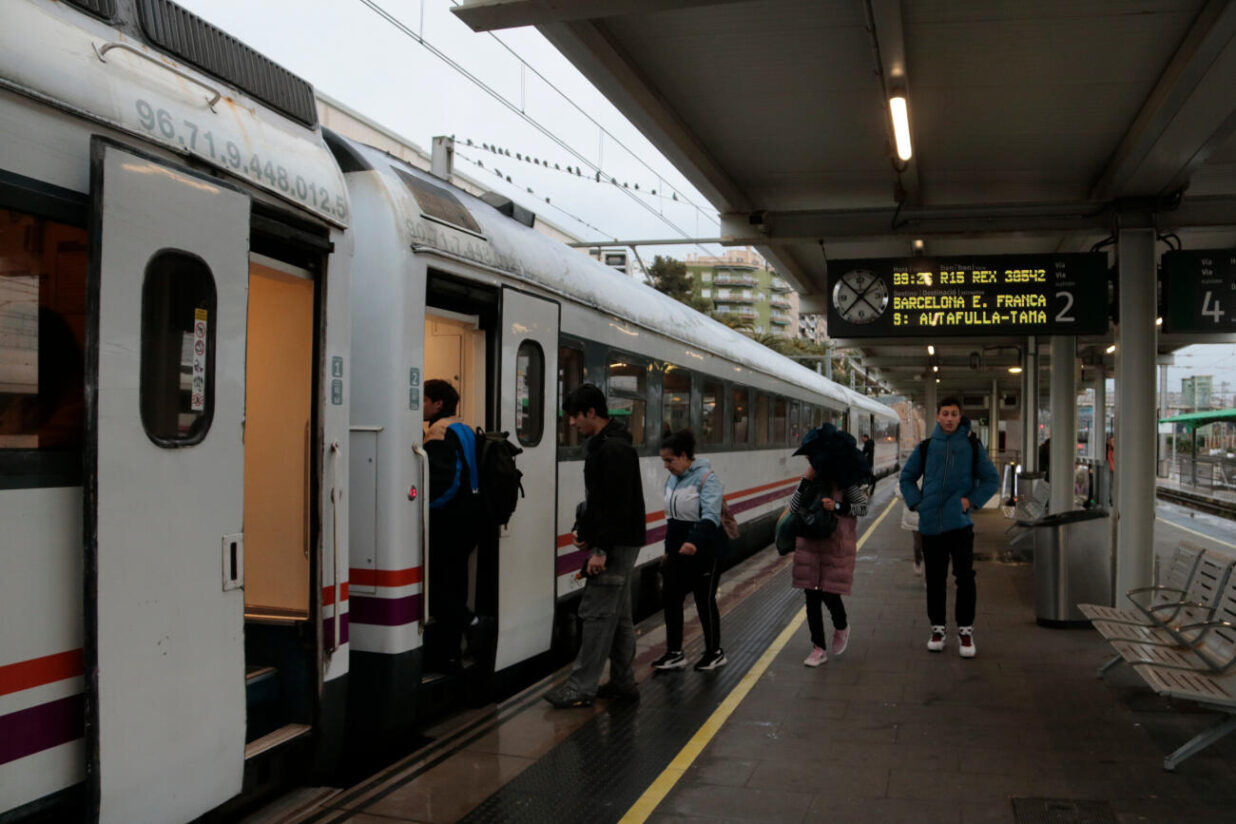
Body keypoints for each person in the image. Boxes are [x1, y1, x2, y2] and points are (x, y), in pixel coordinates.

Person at [545, 384, 646, 708]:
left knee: (597, 614)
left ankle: (580, 688)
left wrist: (601, 549)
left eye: (575, 416)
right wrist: (585, 528)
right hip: (619, 540)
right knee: (619, 617)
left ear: (591, 412)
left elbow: (616, 505)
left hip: (615, 544)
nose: (572, 423)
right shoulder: (607, 444)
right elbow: (600, 501)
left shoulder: (613, 449)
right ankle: (623, 683)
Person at [899, 397, 1000, 658]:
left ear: (960, 416)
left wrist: (971, 501)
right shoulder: (926, 447)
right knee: (935, 580)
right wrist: (917, 503)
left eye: (954, 414)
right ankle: (938, 629)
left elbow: (992, 479)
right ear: (938, 416)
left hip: (960, 524)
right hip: (930, 524)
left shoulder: (971, 446)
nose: (949, 418)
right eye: (945, 413)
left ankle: (965, 631)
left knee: (965, 578)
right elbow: (906, 478)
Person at [789, 424, 868, 667]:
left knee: (830, 594)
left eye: (811, 456)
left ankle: (841, 626)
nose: (809, 460)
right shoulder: (809, 480)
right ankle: (818, 648)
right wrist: (805, 480)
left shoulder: (846, 482)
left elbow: (862, 508)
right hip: (809, 545)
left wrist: (837, 507)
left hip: (835, 546)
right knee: (811, 596)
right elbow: (793, 508)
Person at [652, 429, 727, 673]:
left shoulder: (707, 479)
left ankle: (715, 652)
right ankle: (675, 652)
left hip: (705, 551)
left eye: (669, 460)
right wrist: (668, 550)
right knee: (671, 598)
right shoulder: (672, 480)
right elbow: (671, 520)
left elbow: (711, 516)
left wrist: (693, 542)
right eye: (663, 461)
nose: (666, 466)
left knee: (704, 601)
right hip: (678, 551)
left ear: (684, 456)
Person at [422, 379, 479, 671]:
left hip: (448, 522)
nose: (420, 405)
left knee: (437, 588)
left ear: (438, 403)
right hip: (468, 519)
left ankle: (473, 622)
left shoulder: (439, 431)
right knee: (455, 586)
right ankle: (451, 653)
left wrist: (425, 507)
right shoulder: (464, 427)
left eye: (423, 400)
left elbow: (445, 480)